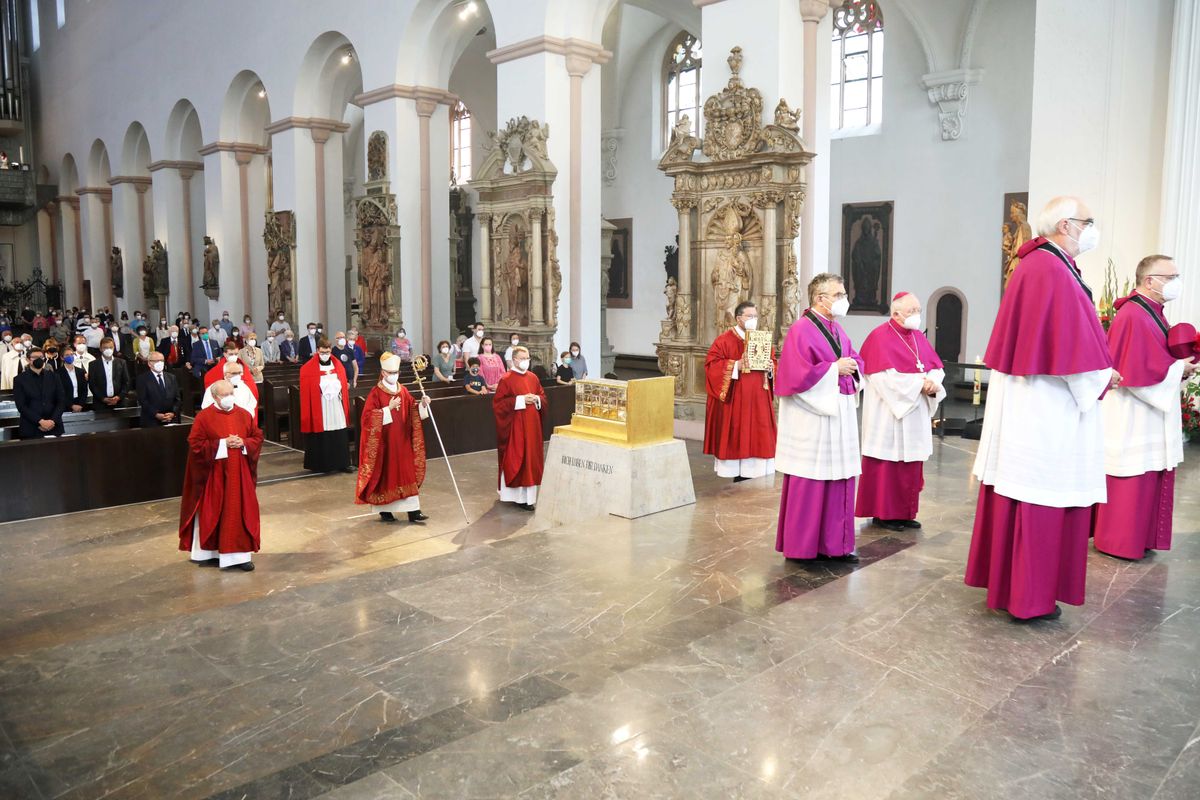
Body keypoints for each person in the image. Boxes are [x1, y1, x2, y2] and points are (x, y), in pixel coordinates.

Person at [965, 196, 1116, 622]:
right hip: (1045, 409)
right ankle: (1029, 597)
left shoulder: (1042, 264)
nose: (1091, 228)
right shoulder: (1050, 269)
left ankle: (1019, 590)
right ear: (1067, 225)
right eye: (1089, 221)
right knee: (1040, 497)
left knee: (1024, 493)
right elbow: (1072, 352)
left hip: (1033, 400)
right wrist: (1105, 376)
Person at [1093, 255, 1196, 560]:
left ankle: (1138, 538)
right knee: (1131, 477)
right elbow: (1136, 372)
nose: (1175, 282)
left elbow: (1154, 360)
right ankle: (1120, 541)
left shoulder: (1152, 311)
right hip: (1131, 414)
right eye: (1171, 276)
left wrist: (1179, 365)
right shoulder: (1134, 315)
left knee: (1146, 474)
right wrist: (1179, 369)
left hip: (1144, 412)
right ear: (1149, 281)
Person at [774, 273, 864, 563]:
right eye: (838, 295)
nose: (843, 300)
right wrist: (832, 370)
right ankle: (803, 548)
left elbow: (854, 359)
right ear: (820, 299)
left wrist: (850, 366)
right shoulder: (802, 329)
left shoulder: (837, 330)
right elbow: (794, 375)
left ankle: (834, 545)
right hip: (812, 419)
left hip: (838, 414)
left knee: (838, 477)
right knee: (812, 479)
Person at [855, 292, 946, 530]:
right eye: (911, 311)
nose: (916, 316)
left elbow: (936, 366)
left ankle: (905, 512)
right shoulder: (879, 337)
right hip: (889, 415)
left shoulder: (917, 337)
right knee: (889, 465)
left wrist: (933, 382)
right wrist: (920, 384)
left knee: (910, 466)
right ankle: (884, 514)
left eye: (918, 310)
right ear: (896, 314)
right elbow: (884, 379)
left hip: (915, 413)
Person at [178, 379, 263, 572]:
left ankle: (239, 556)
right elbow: (196, 445)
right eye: (225, 395)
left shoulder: (243, 414)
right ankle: (210, 552)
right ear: (215, 397)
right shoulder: (204, 417)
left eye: (231, 393)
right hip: (213, 475)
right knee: (213, 511)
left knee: (237, 512)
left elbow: (257, 437)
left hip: (238, 474)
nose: (229, 398)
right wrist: (223, 444)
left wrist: (242, 443)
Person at [703, 301, 777, 482]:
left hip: (759, 399)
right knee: (738, 434)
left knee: (759, 436)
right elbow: (711, 366)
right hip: (737, 400)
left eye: (755, 316)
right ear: (738, 318)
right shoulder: (724, 340)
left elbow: (773, 362)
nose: (754, 320)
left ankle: (758, 472)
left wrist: (770, 368)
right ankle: (737, 473)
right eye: (749, 316)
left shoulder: (762, 339)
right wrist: (736, 364)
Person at [355, 352, 431, 522]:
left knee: (407, 474)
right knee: (386, 477)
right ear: (383, 373)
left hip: (402, 442)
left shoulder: (402, 390)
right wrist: (387, 409)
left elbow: (412, 411)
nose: (394, 375)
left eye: (396, 372)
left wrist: (423, 405)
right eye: (390, 373)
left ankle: (414, 511)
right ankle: (385, 511)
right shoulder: (376, 393)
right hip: (385, 444)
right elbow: (367, 419)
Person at [492, 346, 546, 510]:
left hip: (532, 427)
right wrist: (521, 400)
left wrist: (536, 398)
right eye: (522, 358)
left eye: (527, 358)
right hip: (515, 427)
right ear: (514, 360)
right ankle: (515, 497)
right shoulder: (506, 379)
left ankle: (528, 499)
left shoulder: (533, 377)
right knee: (517, 458)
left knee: (530, 459)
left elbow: (543, 397)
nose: (526, 361)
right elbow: (498, 405)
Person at [299, 339, 351, 473]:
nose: (325, 354)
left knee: (339, 430)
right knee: (322, 432)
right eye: (323, 352)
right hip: (320, 404)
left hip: (336, 403)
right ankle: (321, 465)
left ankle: (343, 463)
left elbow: (343, 382)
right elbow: (307, 389)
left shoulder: (338, 364)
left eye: (328, 352)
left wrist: (337, 388)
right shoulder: (308, 367)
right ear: (317, 351)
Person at [13, 346, 65, 439]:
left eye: (41, 357)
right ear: (28, 360)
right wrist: (40, 421)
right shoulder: (19, 379)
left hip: (54, 426)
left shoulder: (54, 377)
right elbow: (21, 406)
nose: (39, 360)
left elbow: (61, 401)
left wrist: (52, 421)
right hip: (31, 427)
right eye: (35, 357)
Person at [136, 351, 181, 427]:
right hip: (151, 421)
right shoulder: (142, 379)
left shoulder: (171, 377)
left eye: (162, 360)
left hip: (171, 419)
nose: (160, 363)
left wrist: (173, 413)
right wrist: (156, 414)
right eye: (156, 361)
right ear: (149, 363)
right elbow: (143, 401)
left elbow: (177, 399)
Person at [87, 338, 131, 412]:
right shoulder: (93, 364)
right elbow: (92, 384)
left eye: (110, 347)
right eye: (105, 347)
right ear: (100, 349)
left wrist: (118, 397)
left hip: (119, 403)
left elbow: (126, 382)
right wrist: (102, 398)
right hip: (100, 404)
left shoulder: (122, 362)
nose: (108, 350)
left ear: (114, 348)